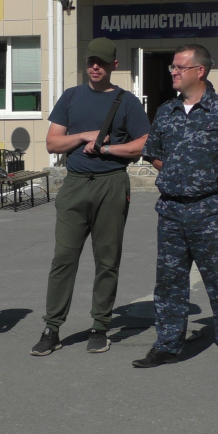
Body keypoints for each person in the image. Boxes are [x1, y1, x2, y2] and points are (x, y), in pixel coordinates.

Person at [132, 44, 218, 371]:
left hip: (212, 212)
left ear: (199, 71)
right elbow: (153, 153)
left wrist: (217, 180)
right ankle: (167, 345)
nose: (172, 71)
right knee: (170, 282)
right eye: (172, 67)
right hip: (172, 211)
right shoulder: (165, 111)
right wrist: (178, 174)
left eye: (179, 67)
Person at [30, 37, 149, 357]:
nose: (94, 67)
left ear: (114, 65)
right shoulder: (71, 97)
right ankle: (51, 328)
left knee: (107, 260)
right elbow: (53, 143)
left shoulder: (127, 101)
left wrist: (108, 148)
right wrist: (84, 135)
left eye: (101, 62)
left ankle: (100, 326)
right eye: (90, 61)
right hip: (75, 184)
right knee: (63, 258)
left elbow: (143, 145)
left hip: (112, 184)